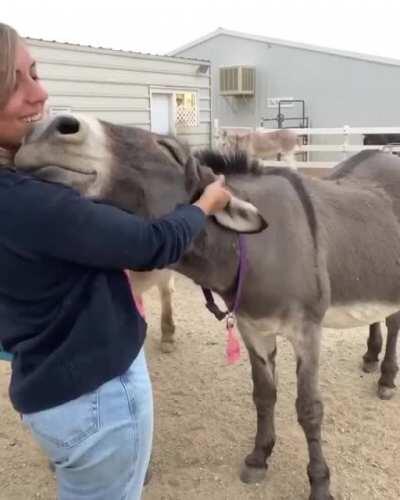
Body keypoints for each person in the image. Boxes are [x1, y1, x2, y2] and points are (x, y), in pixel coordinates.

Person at [0, 23, 232, 500]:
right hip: (99, 403)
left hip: (45, 392)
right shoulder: (24, 203)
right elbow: (152, 244)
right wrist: (204, 206)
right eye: (11, 82)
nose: (39, 93)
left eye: (35, 72)